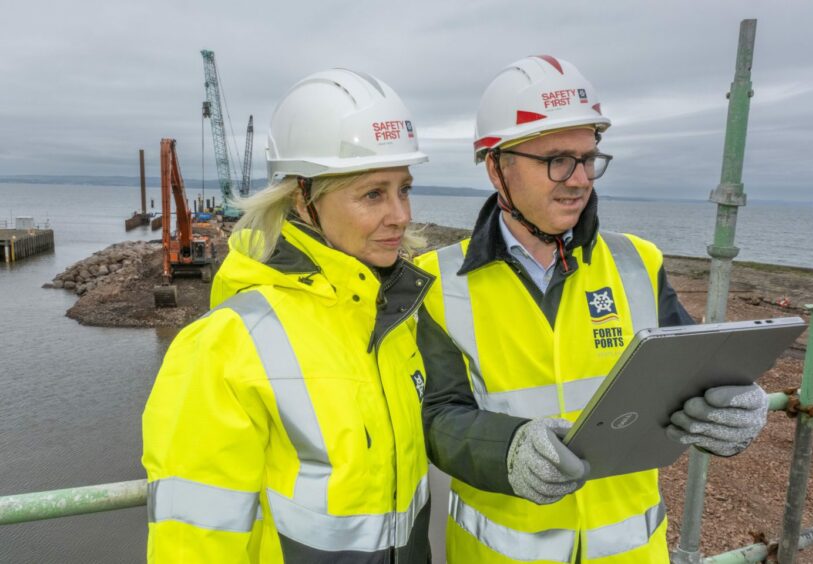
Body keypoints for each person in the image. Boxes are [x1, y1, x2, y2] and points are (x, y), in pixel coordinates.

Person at [416, 55, 770, 563]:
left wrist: (732, 407)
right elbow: (437, 415)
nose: (580, 179)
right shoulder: (436, 282)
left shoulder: (638, 263)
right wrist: (509, 448)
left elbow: (692, 375)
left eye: (589, 158)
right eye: (557, 160)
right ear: (497, 167)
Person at [142, 68, 435, 563]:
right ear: (304, 198)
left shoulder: (392, 321)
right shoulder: (225, 346)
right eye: (373, 193)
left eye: (403, 189)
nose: (401, 215)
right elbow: (195, 542)